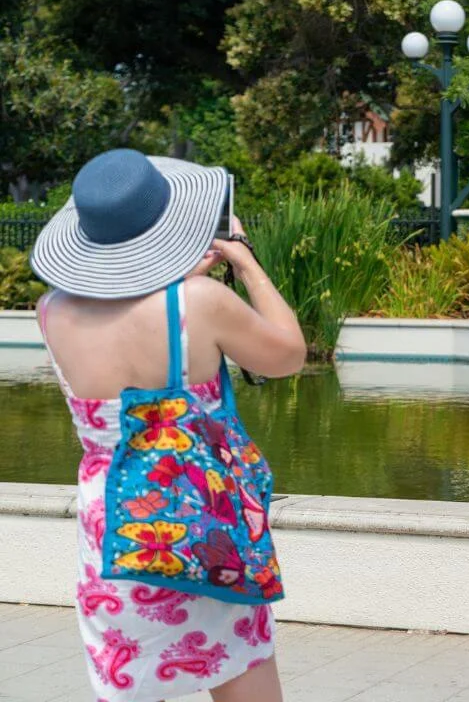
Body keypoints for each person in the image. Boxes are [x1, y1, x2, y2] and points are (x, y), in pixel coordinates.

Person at [30, 149, 306, 701]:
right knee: (242, 680)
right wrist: (245, 260)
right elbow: (288, 355)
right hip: (203, 527)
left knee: (130, 683)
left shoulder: (51, 309)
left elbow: (126, 310)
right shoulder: (200, 301)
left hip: (115, 533)